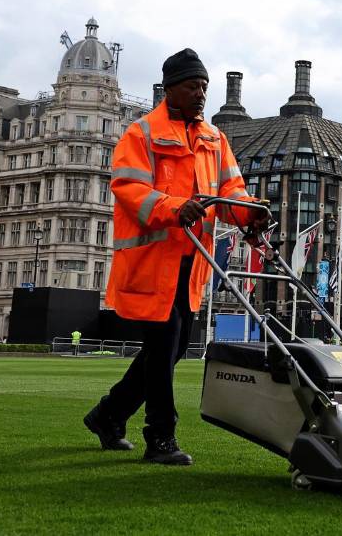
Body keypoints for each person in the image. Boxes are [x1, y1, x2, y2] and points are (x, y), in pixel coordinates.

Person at [84, 49, 264, 466]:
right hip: (153, 262)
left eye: (204, 86)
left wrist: (250, 214)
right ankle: (160, 436)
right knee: (164, 346)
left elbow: (231, 192)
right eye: (192, 86)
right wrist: (173, 207)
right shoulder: (142, 134)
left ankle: (108, 414)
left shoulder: (215, 139)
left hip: (191, 263)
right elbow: (128, 189)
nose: (201, 94)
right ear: (171, 89)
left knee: (173, 347)